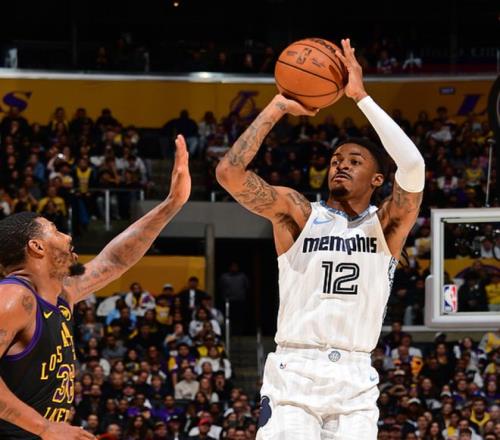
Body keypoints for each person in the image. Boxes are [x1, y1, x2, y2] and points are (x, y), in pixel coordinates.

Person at [216, 38, 425, 439]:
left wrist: (361, 97)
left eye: (354, 161)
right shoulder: (299, 213)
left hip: (355, 378)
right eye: (335, 161)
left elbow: (413, 165)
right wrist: (277, 107)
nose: (340, 166)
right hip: (295, 372)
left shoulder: (386, 225)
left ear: (377, 180)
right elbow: (229, 174)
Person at [0, 135, 191, 439]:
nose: (67, 237)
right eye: (55, 230)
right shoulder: (13, 297)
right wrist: (45, 427)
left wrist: (171, 205)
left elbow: (114, 260)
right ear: (36, 246)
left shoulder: (60, 296)